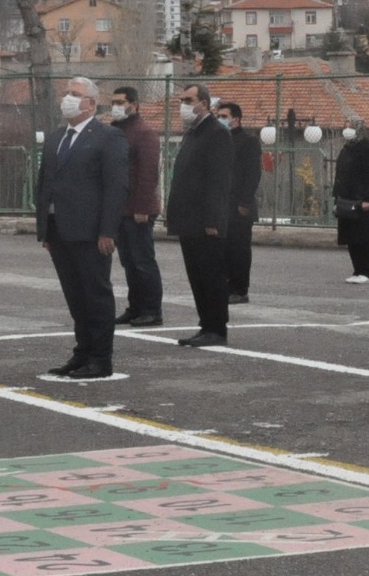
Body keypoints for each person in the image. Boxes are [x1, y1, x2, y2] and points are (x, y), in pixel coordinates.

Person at [35, 77, 128, 380]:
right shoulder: (56, 138)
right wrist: (45, 229)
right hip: (59, 230)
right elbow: (45, 184)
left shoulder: (107, 137)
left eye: (75, 94)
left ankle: (101, 358)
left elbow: (116, 187)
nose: (67, 98)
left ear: (90, 102)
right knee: (75, 295)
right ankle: (83, 352)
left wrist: (108, 231)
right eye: (66, 93)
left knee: (95, 294)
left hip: (90, 231)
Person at [166, 83, 234, 347]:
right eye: (182, 99)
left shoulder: (216, 133)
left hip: (206, 221)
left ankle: (216, 328)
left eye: (188, 99)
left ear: (204, 103)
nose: (183, 105)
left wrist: (213, 220)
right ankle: (206, 324)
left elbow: (218, 181)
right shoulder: (192, 133)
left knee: (211, 275)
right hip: (188, 219)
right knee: (197, 275)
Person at [108, 86, 164, 327]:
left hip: (138, 209)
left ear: (134, 104)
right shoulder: (115, 130)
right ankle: (135, 307)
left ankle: (152, 310)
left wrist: (142, 206)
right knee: (129, 262)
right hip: (120, 208)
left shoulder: (143, 133)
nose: (116, 106)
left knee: (143, 261)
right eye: (114, 102)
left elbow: (148, 172)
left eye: (121, 102)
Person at [216, 101, 263, 305]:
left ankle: (240, 289)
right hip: (221, 205)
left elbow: (252, 174)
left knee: (239, 249)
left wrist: (245, 202)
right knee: (223, 249)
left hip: (239, 206)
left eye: (224, 116)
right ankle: (225, 286)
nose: (221, 119)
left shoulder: (248, 141)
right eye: (218, 115)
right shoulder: (219, 139)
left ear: (236, 119)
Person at [335, 119, 369, 284]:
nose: (347, 130)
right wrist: (337, 196)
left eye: (351, 127)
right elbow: (339, 174)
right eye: (346, 126)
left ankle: (366, 271)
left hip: (361, 199)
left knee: (363, 237)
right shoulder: (346, 149)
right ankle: (356, 270)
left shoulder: (367, 149)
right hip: (346, 198)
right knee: (351, 236)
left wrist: (368, 199)